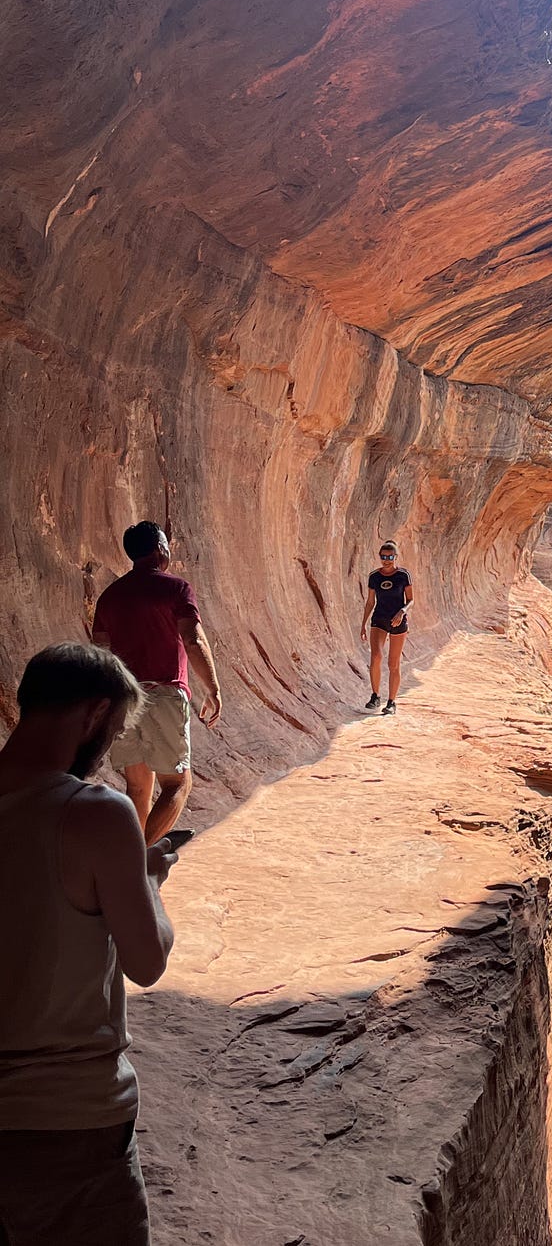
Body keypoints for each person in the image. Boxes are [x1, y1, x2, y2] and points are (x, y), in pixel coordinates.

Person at [0, 643, 178, 1246]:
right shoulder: (94, 813)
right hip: (69, 1116)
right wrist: (147, 881)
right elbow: (147, 961)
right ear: (95, 715)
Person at [91, 522, 223, 846]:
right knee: (178, 785)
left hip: (124, 700)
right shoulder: (176, 589)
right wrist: (213, 689)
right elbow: (193, 640)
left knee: (137, 789)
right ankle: (136, 861)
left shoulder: (109, 597)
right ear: (160, 549)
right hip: (163, 692)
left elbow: (100, 654)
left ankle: (133, 867)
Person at [360, 539, 413, 715]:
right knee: (375, 657)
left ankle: (391, 702)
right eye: (383, 556)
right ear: (379, 557)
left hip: (398, 620)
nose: (387, 560)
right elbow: (370, 602)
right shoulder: (374, 576)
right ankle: (375, 696)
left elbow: (411, 600)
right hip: (379, 619)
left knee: (393, 663)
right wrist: (363, 624)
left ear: (396, 556)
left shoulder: (403, 575)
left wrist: (402, 612)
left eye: (390, 556)